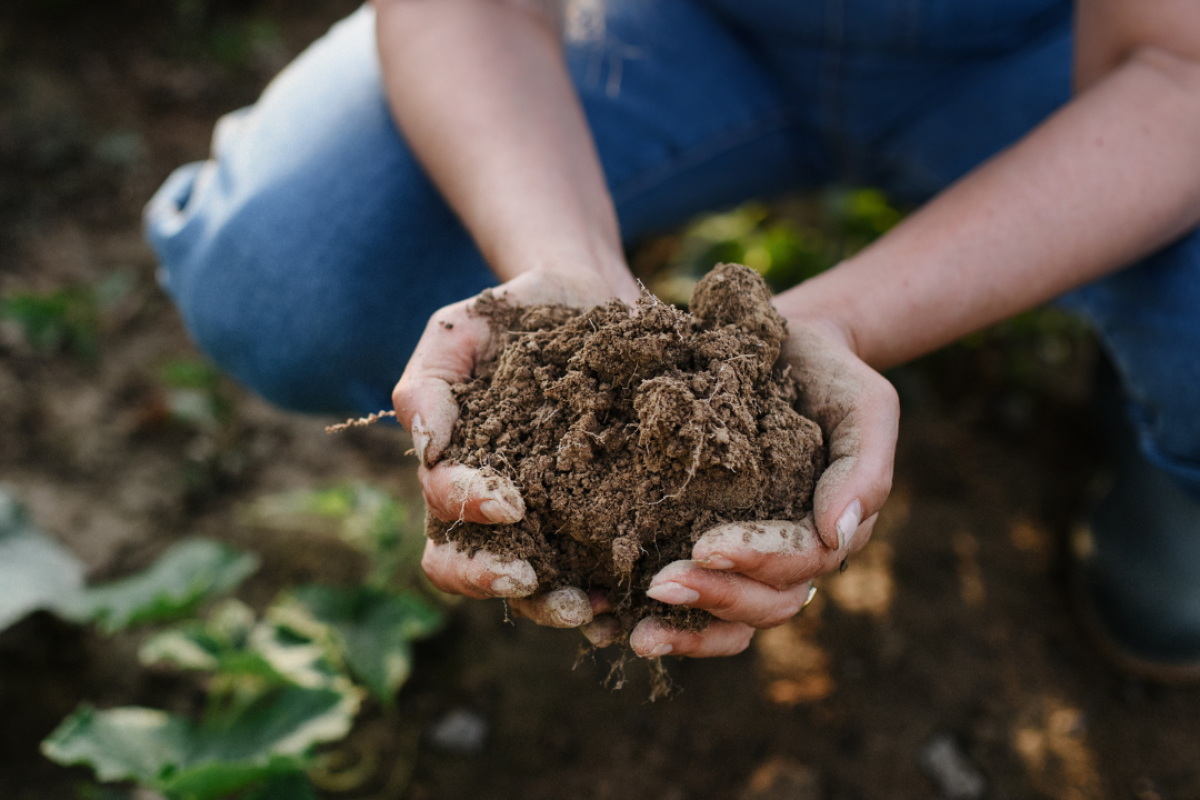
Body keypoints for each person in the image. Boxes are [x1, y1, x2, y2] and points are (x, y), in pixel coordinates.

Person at [145, 0, 1200, 677]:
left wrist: (842, 320)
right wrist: (564, 277)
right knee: (287, 273)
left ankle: (1164, 440)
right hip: (694, 26)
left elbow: (1177, 71)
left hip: (1047, 58)